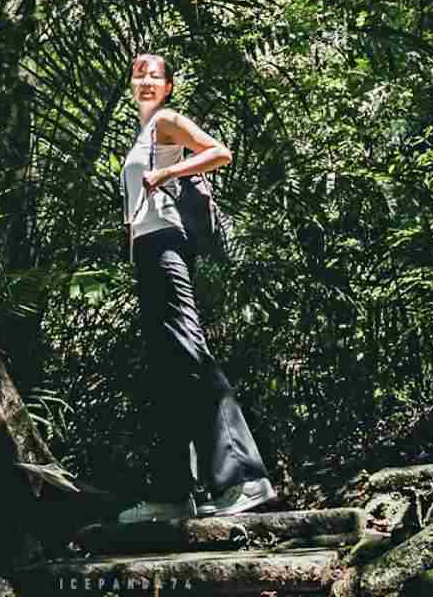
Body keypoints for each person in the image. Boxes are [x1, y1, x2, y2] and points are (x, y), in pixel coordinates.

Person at [117, 50, 277, 523]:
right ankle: (172, 494)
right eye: (138, 75)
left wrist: (169, 171)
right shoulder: (142, 134)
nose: (145, 82)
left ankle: (246, 479)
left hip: (166, 248)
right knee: (166, 371)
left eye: (154, 76)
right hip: (145, 252)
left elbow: (219, 151)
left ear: (167, 86)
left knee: (189, 353)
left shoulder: (166, 120)